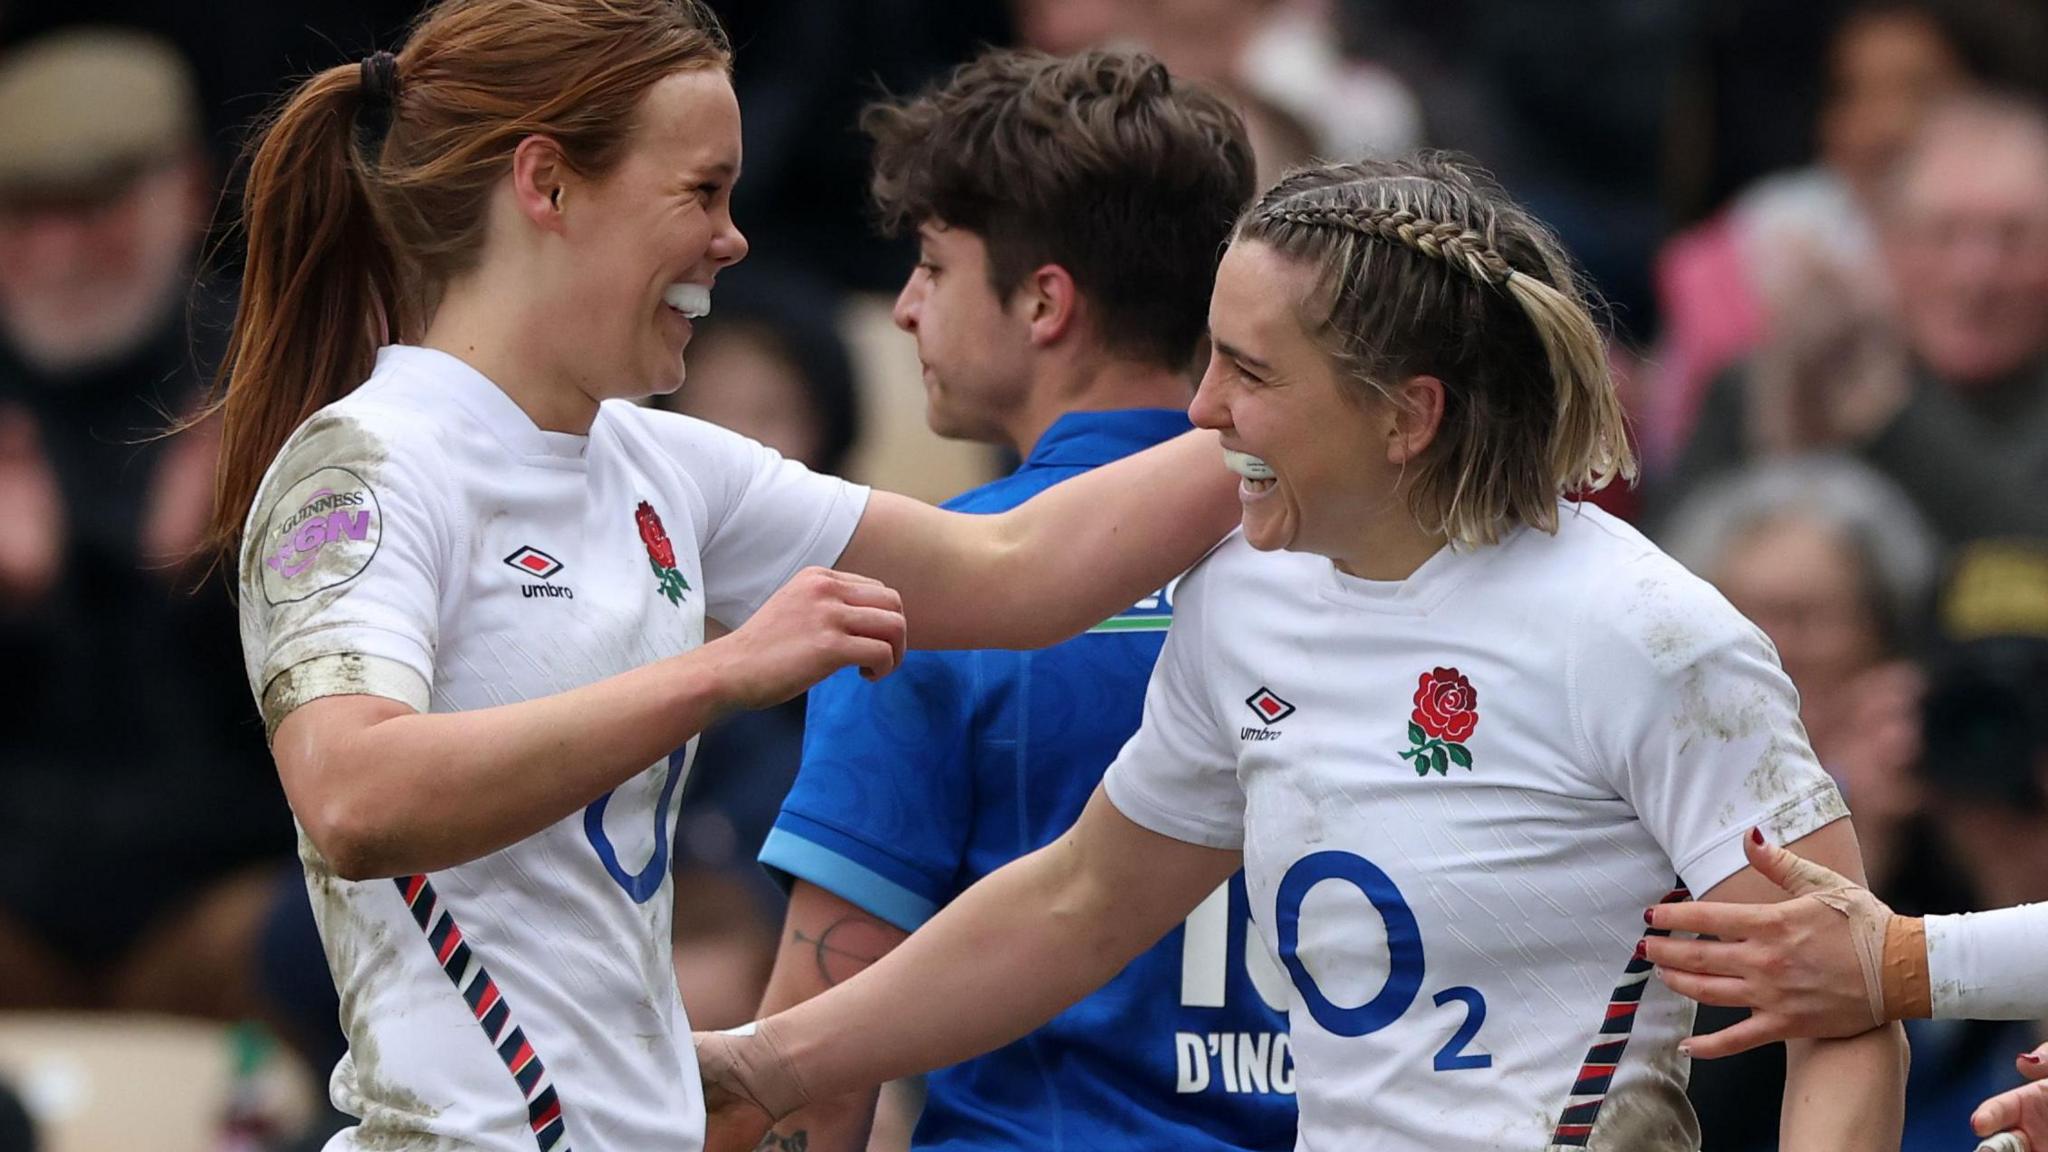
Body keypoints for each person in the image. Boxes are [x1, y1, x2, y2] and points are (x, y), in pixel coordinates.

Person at [696, 154, 1909, 1152]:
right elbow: (1080, 901)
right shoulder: (1244, 600)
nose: (1200, 408)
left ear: (1406, 415)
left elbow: (1846, 1013)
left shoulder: (1651, 635)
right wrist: (766, 1063)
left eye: (1251, 372)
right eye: (1209, 354)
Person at [213, 3, 1239, 1150]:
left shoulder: (667, 466)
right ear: (546, 185)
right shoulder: (360, 467)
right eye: (700, 192)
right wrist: (717, 673)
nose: (733, 239)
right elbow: (358, 796)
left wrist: (1308, 387)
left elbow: (1020, 570)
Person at [750, 47, 1291, 1152]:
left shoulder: (923, 605)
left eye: (933, 267)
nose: (903, 310)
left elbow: (807, 1074)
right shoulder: (1373, 569)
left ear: (1045, 301)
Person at [0, 28, 293, 1020]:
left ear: (187, 191)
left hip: (227, 905)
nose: (59, 251)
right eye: (22, 214)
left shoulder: (274, 374)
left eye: (96, 208)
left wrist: (226, 583)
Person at [1663, 92, 2048, 549]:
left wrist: (1894, 425)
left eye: (2015, 238)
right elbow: (1663, 570)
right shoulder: (1762, 386)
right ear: (1886, 242)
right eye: (1942, 234)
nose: (1975, 276)